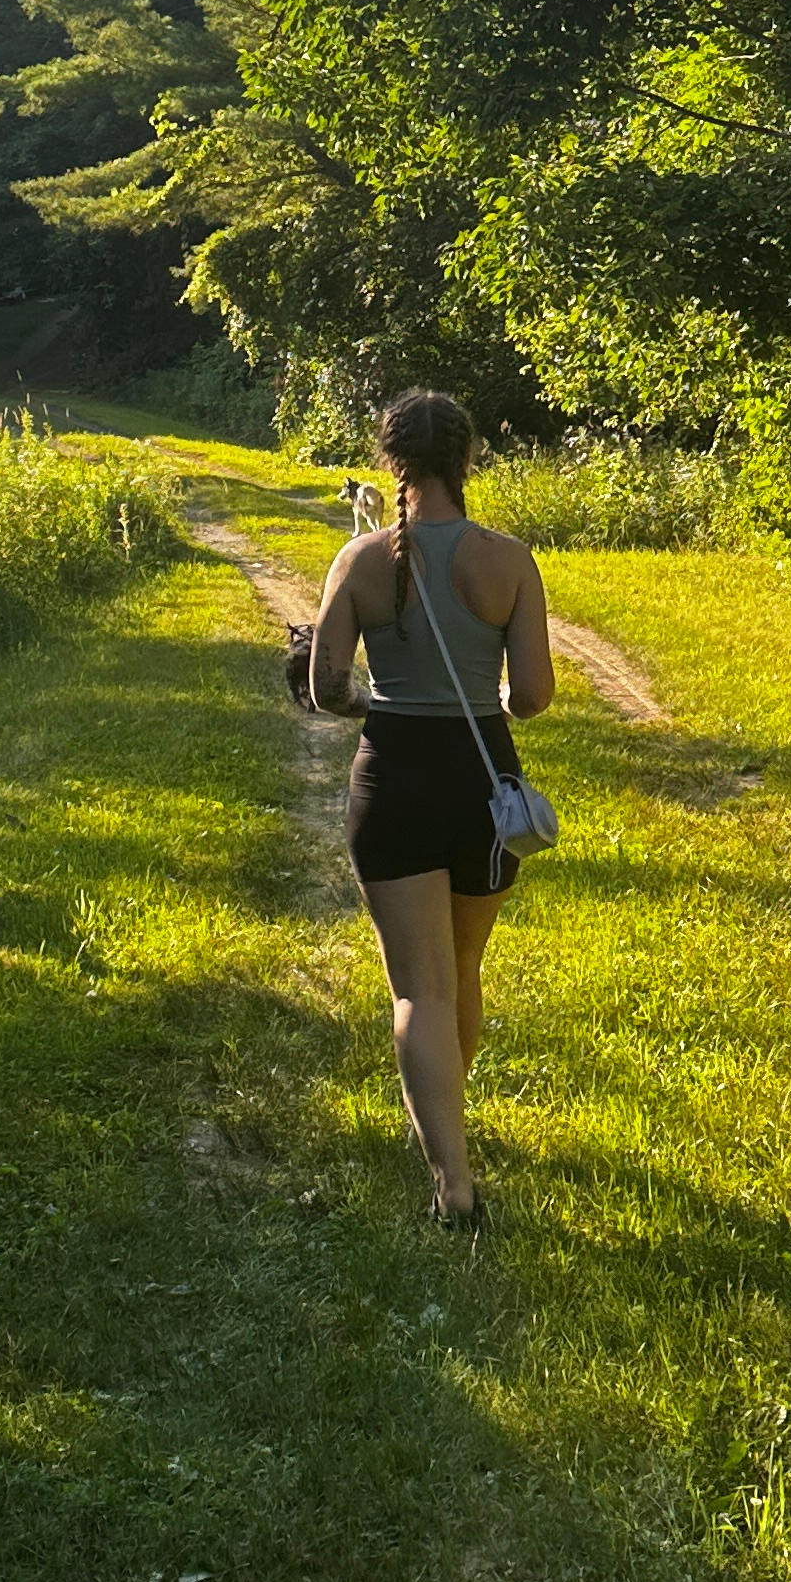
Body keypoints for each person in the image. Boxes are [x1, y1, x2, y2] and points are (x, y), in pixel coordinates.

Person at [307, 388, 555, 1227]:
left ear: (391, 463)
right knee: (460, 973)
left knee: (419, 989)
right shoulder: (509, 560)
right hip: (482, 786)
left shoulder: (363, 560)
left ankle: (451, 1178)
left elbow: (326, 687)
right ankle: (452, 1128)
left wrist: (376, 701)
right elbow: (532, 699)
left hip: (395, 777)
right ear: (468, 458)